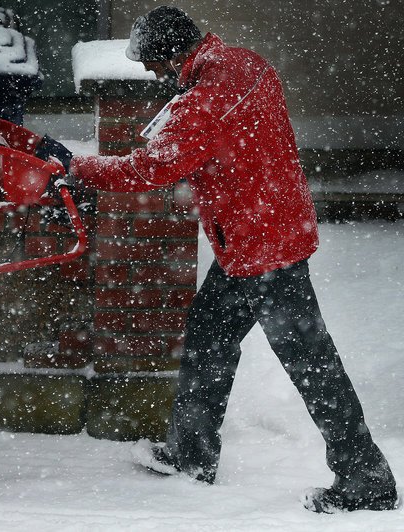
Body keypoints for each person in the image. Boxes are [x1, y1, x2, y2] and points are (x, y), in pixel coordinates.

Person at [35, 5, 398, 514]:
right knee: (209, 337)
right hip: (261, 233)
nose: (151, 74)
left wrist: (76, 165)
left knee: (312, 364)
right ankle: (191, 452)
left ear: (169, 53)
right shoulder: (244, 64)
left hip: (262, 248)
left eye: (151, 64)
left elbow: (151, 168)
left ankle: (366, 479)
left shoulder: (203, 102)